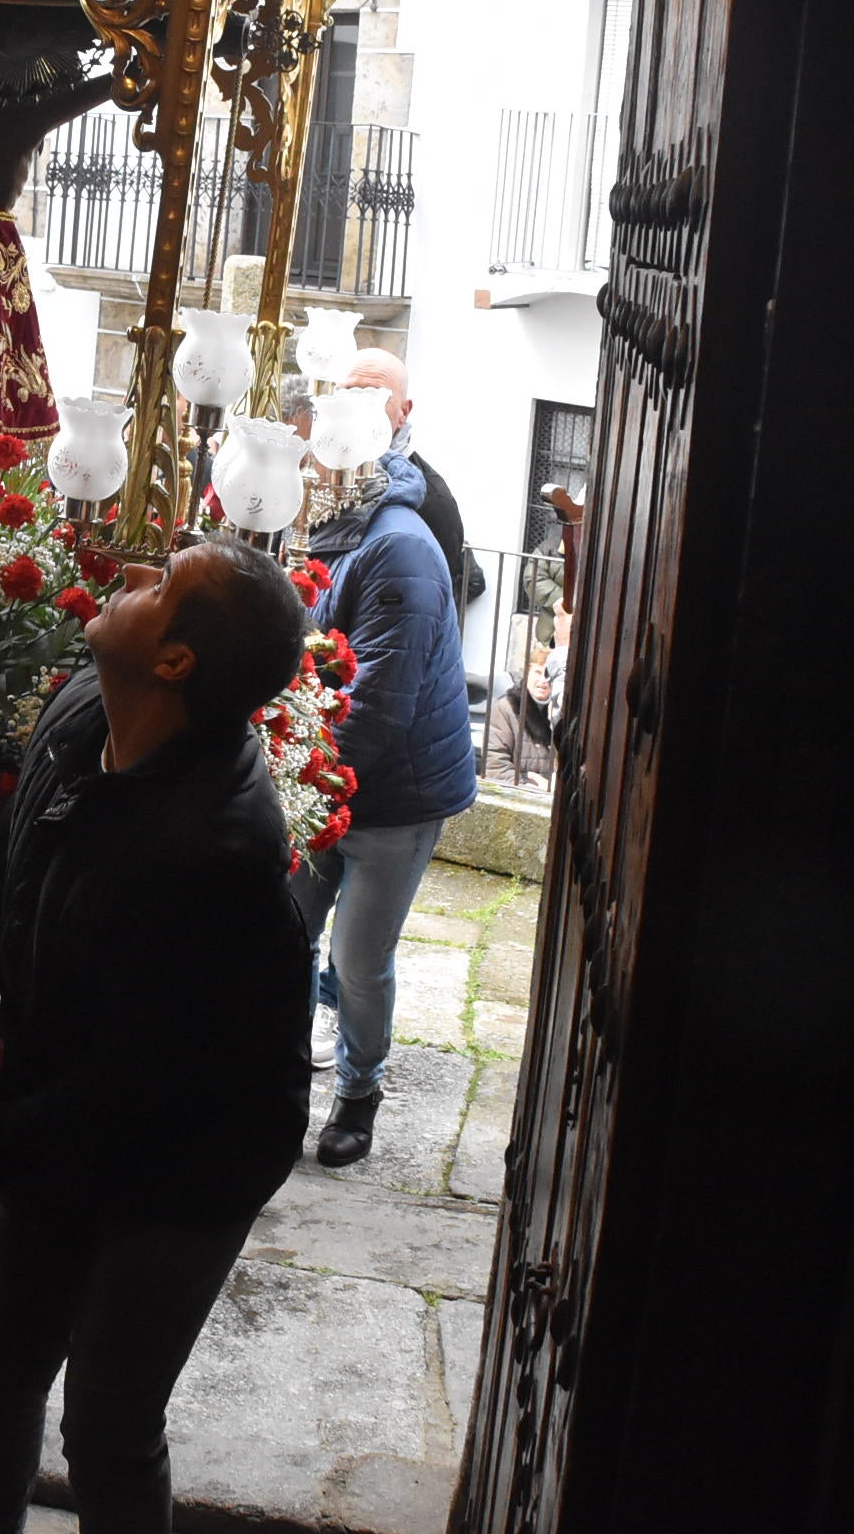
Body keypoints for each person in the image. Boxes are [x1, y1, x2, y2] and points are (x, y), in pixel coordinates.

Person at [0, 537, 313, 1534]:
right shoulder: (83, 710)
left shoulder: (212, 850)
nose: (130, 572)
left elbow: (140, 1081)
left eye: (161, 582)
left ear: (176, 662)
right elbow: (5, 872)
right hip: (66, 1101)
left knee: (106, 1416)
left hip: (186, 1162)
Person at [294, 440, 479, 1165]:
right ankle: (281, 1077)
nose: (309, 476)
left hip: (396, 793)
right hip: (321, 777)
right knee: (288, 930)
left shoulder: (398, 548)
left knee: (360, 958)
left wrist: (299, 781)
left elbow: (376, 704)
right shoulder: (324, 528)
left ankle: (357, 1094)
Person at [338, 348, 480, 609]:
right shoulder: (316, 472)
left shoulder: (433, 501)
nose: (357, 406)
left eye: (374, 396)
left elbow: (421, 610)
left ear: (403, 411)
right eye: (348, 392)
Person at [483, 649, 558, 791]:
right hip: (518, 794)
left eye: (549, 675)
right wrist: (528, 785)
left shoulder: (561, 712)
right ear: (526, 673)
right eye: (537, 672)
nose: (543, 680)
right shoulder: (506, 708)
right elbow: (495, 764)